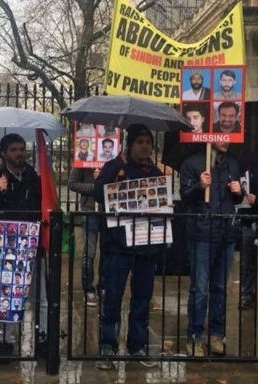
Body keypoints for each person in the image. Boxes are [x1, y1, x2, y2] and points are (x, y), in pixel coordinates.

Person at [93, 124, 163, 369]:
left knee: (142, 299)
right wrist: (115, 182)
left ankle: (137, 346)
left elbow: (160, 203)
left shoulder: (155, 171)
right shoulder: (115, 167)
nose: (145, 146)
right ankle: (107, 347)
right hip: (117, 245)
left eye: (148, 142)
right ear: (130, 144)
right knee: (112, 297)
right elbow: (97, 193)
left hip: (146, 245)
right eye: (140, 141)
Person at [0, 133, 43, 362]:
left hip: (32, 243)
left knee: (39, 296)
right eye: (14, 150)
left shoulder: (34, 178)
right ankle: (6, 340)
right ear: (4, 153)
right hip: (6, 246)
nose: (19, 153)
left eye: (21, 149)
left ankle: (42, 338)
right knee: (7, 294)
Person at [179, 140, 243, 357]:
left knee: (220, 287)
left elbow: (237, 200)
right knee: (201, 288)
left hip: (227, 232)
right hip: (202, 233)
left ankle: (217, 334)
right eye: (221, 136)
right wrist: (200, 186)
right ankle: (195, 336)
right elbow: (185, 196)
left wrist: (238, 192)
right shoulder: (192, 164)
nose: (226, 140)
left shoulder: (233, 165)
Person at [68, 167, 101, 307]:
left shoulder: (115, 159)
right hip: (90, 211)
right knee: (89, 252)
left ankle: (103, 287)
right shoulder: (82, 161)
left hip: (110, 209)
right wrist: (95, 186)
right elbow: (72, 183)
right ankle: (88, 288)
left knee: (109, 252)